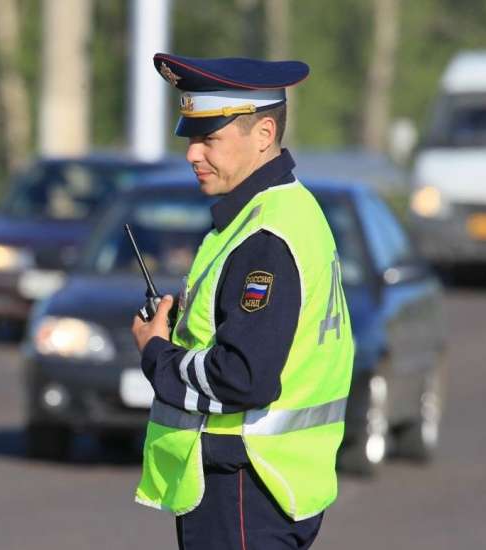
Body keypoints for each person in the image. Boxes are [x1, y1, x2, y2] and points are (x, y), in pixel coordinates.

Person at [131, 54, 354, 550]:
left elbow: (243, 377)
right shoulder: (285, 210)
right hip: (269, 485)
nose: (192, 154)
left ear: (263, 133)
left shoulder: (265, 236)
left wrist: (157, 354)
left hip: (245, 485)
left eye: (209, 138)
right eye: (191, 138)